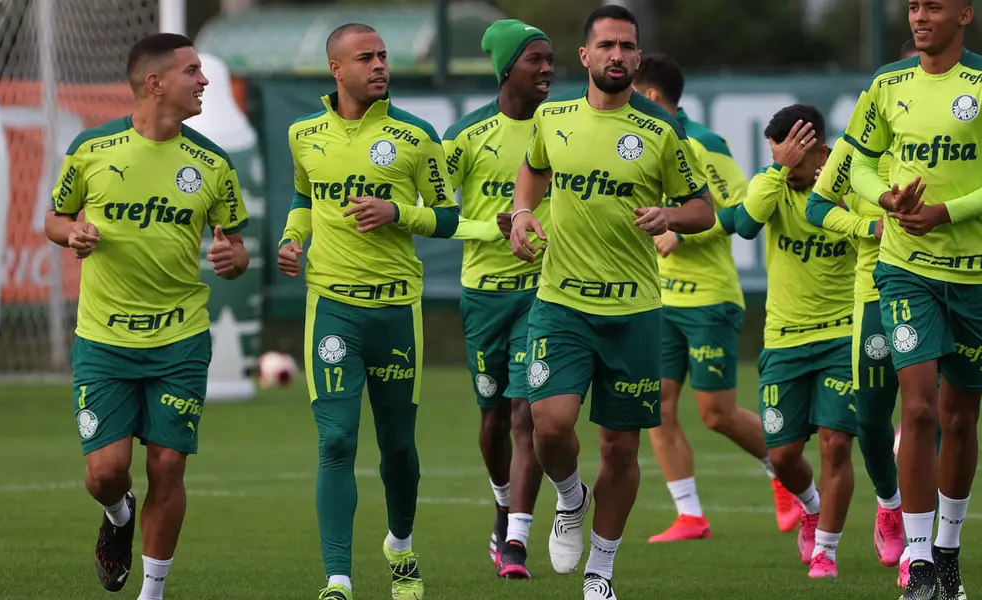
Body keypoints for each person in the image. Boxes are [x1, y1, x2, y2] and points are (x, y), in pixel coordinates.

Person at [508, 5, 714, 598]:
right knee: (549, 425)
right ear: (586, 56)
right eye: (607, 46)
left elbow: (702, 208)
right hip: (561, 302)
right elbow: (533, 172)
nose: (618, 56)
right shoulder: (555, 118)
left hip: (634, 312)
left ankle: (601, 570)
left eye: (628, 46)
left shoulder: (659, 131)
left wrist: (670, 213)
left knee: (621, 449)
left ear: (638, 56)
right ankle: (571, 498)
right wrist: (523, 213)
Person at [842, 0, 982, 597]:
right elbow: (857, 166)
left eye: (933, 5)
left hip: (980, 276)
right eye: (912, 6)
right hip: (906, 270)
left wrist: (946, 211)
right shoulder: (887, 83)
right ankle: (921, 559)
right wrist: (886, 200)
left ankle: (950, 552)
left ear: (965, 13)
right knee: (920, 409)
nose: (919, 16)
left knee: (959, 419)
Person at [44, 32, 250, 600]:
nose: (205, 80)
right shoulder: (91, 148)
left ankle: (152, 593)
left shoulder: (212, 163)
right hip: (104, 339)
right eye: (193, 71)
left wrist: (234, 258)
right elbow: (54, 220)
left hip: (180, 337)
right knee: (106, 473)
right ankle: (117, 515)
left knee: (168, 465)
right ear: (155, 83)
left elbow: (235, 247)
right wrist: (73, 232)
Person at [277, 22, 461, 600]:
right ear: (337, 69)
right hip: (332, 307)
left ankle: (400, 548)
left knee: (399, 448)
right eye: (366, 58)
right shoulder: (303, 134)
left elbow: (449, 216)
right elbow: (305, 198)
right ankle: (338, 578)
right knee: (335, 442)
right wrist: (291, 238)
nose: (380, 66)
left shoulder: (416, 135)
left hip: (395, 311)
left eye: (384, 56)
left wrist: (398, 213)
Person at [629, 52, 800, 543]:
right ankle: (689, 514)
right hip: (659, 300)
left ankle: (783, 475)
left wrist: (681, 233)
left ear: (654, 96)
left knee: (715, 414)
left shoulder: (705, 143)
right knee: (656, 407)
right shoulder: (638, 143)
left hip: (708, 299)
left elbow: (741, 211)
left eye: (634, 92)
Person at [802, 37, 923, 587]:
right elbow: (817, 205)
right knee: (873, 418)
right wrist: (869, 226)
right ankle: (890, 502)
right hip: (875, 287)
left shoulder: (951, 137)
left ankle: (924, 549)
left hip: (943, 284)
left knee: (930, 415)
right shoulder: (858, 145)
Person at [441, 18, 555, 578]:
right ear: (508, 68)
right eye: (536, 59)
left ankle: (517, 538)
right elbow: (435, 215)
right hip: (483, 297)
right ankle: (502, 499)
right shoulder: (465, 136)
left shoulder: (564, 127)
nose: (548, 69)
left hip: (543, 292)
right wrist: (492, 228)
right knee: (491, 420)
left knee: (526, 414)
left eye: (551, 59)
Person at [733, 105, 862, 579]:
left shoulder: (846, 192)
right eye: (776, 153)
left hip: (841, 335)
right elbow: (746, 226)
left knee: (835, 446)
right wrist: (779, 167)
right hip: (784, 340)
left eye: (793, 154)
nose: (784, 163)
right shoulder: (771, 184)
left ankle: (826, 549)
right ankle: (810, 506)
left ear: (821, 151)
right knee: (783, 453)